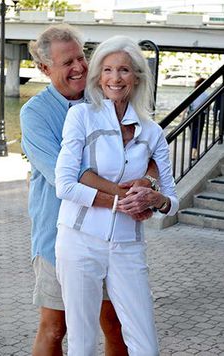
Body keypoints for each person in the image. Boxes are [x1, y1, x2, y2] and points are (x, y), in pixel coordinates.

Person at [20, 24, 159, 356]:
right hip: (59, 238)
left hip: (113, 236)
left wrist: (149, 185)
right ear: (44, 68)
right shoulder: (35, 114)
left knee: (115, 325)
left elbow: (149, 151)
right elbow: (65, 176)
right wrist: (124, 199)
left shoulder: (105, 96)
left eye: (81, 57)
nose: (79, 67)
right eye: (67, 62)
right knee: (56, 327)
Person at [55, 35, 179, 355]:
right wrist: (121, 202)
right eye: (107, 70)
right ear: (98, 76)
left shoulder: (152, 132)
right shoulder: (81, 117)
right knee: (82, 342)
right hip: (78, 240)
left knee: (145, 343)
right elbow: (65, 185)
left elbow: (172, 200)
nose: (115, 78)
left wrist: (155, 199)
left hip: (128, 246)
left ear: (136, 77)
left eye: (123, 70)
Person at [186, 78, 208, 160]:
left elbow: (186, 106)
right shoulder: (205, 95)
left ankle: (193, 152)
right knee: (197, 134)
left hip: (190, 116)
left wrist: (183, 117)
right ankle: (193, 153)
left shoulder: (192, 92)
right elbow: (208, 107)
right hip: (200, 116)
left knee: (193, 134)